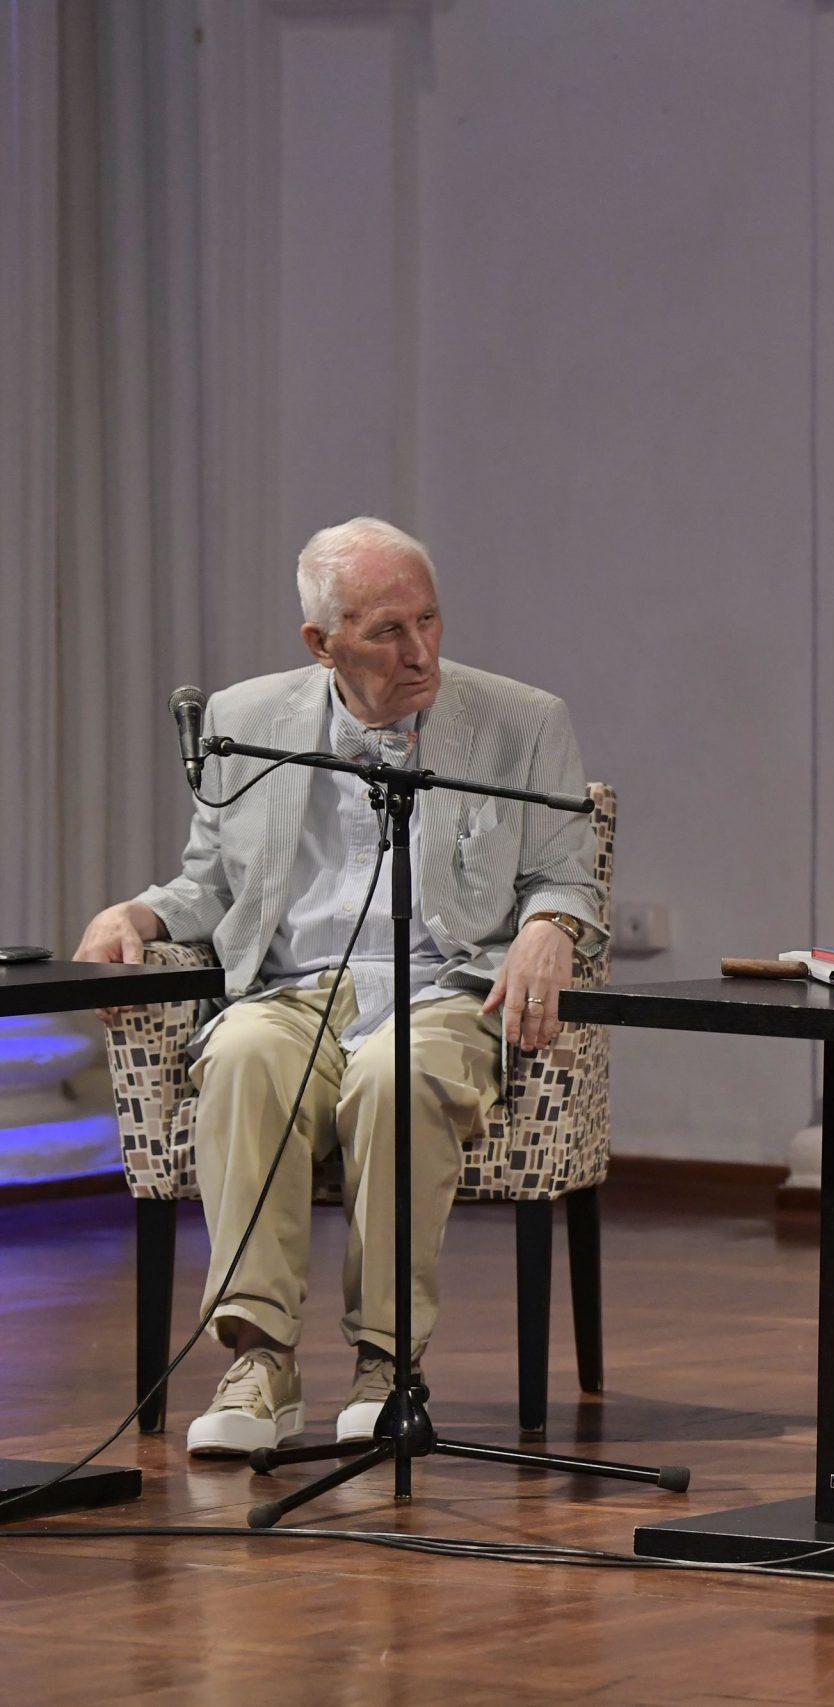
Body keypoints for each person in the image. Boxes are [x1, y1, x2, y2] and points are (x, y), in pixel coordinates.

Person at [75, 517, 605, 1457]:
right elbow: (211, 880)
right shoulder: (245, 723)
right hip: (297, 988)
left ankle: (386, 1363)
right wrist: (138, 915)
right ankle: (260, 1357)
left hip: (446, 988)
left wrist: (548, 926)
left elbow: (567, 870)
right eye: (388, 632)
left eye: (430, 620)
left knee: (396, 1077)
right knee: (238, 1053)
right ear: (321, 643)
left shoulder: (523, 720)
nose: (421, 651)